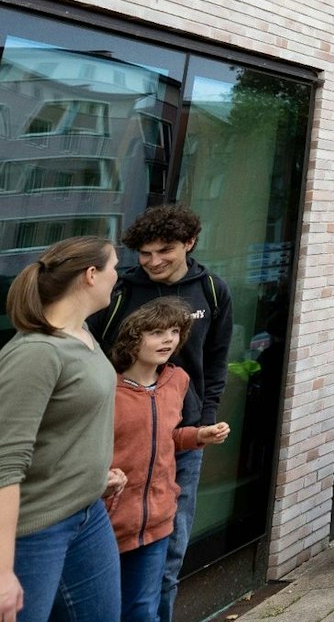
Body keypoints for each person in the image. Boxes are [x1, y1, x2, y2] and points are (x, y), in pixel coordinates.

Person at [91, 205, 232, 622]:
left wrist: (203, 419)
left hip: (182, 439)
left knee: (168, 558)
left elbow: (217, 359)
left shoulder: (210, 288)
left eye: (164, 251)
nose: (152, 262)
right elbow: (92, 354)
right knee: (107, 556)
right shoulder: (120, 290)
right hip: (118, 439)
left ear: (189, 243)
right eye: (144, 253)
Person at [0, 238, 125, 622]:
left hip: (88, 513)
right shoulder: (37, 352)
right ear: (90, 275)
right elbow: (5, 462)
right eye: (114, 267)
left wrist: (89, 472)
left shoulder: (84, 334)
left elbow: (67, 423)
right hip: (36, 530)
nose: (118, 277)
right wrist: (3, 572)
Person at [108, 300, 230, 622]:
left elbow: (168, 436)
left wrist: (198, 436)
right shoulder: (107, 387)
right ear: (133, 338)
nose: (169, 340)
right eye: (157, 332)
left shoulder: (177, 380)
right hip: (110, 521)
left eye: (175, 332)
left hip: (158, 520)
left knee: (144, 609)